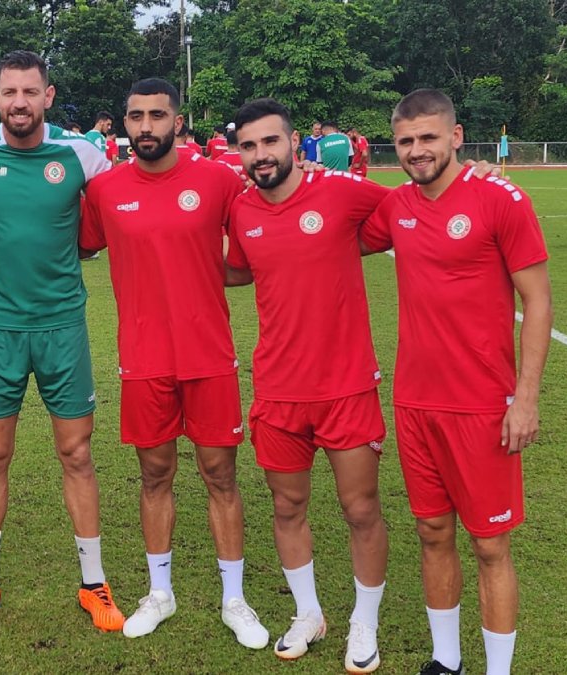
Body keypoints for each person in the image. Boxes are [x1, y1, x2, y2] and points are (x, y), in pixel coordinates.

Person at [360, 89, 552, 675]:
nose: (417, 151)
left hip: (482, 405)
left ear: (457, 136)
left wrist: (525, 399)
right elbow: (335, 227)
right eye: (406, 141)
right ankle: (447, 660)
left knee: (490, 545)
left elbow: (538, 302)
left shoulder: (500, 198)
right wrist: (308, 175)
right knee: (432, 530)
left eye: (428, 138)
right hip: (415, 401)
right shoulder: (396, 205)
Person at [0, 50, 124, 635]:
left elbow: (121, 207)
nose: (20, 102)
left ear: (48, 96)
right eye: (10, 92)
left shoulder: (81, 152)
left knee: (77, 454)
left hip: (63, 325)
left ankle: (94, 583)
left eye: (30, 91)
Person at [80, 77, 267, 649]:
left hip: (209, 355)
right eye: (136, 116)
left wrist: (203, 273)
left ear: (177, 122)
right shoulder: (105, 190)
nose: (146, 126)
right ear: (125, 123)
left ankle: (234, 598)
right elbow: (77, 246)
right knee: (154, 475)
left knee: (221, 476)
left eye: (157, 115)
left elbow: (256, 250)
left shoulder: (217, 180)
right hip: (143, 360)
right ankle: (160, 593)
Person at [224, 98, 390, 672]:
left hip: (346, 386)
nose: (261, 155)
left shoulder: (340, 191)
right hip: (278, 389)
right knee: (287, 505)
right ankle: (309, 613)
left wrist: (475, 178)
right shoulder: (241, 209)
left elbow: (413, 210)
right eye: (249, 146)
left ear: (295, 143)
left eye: (271, 141)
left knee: (360, 509)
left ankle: (364, 622)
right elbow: (237, 268)